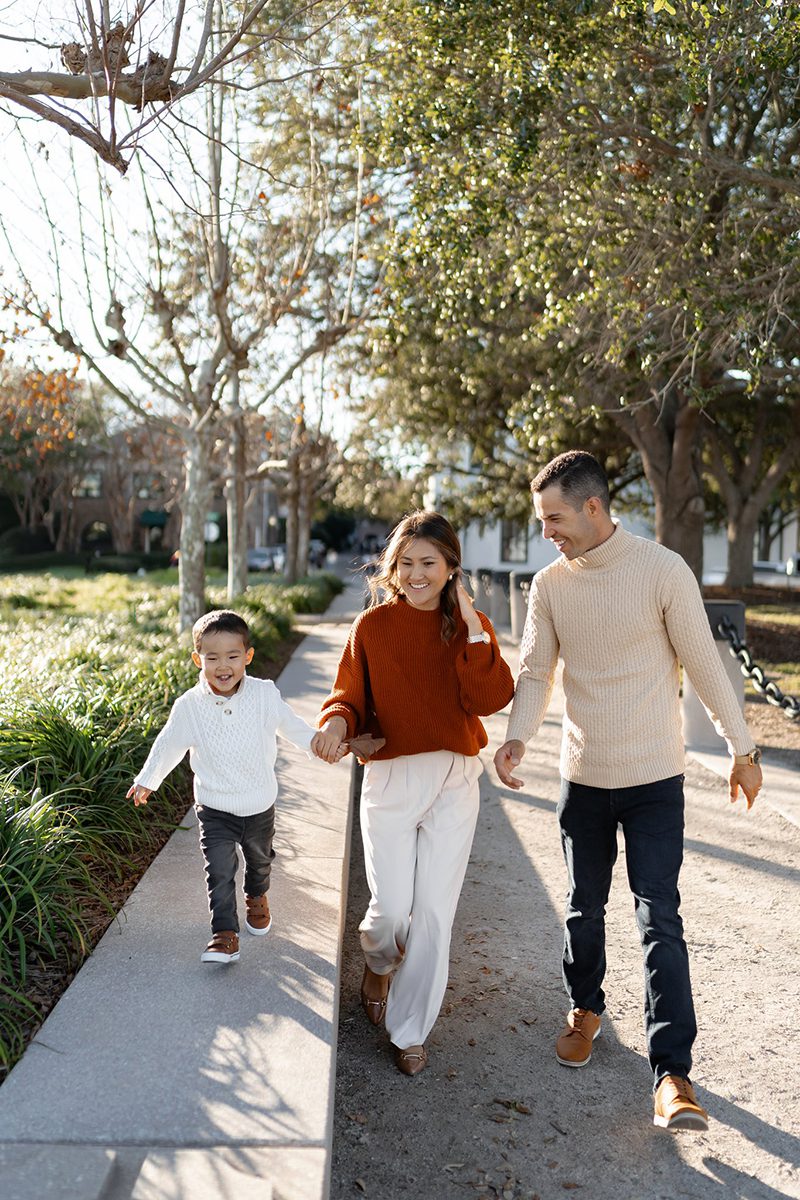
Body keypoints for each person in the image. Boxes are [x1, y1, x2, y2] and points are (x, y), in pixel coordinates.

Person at [493, 451, 762, 1132]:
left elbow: (704, 664)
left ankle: (673, 1074)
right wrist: (518, 737)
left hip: (653, 783)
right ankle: (585, 1008)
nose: (546, 530)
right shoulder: (550, 585)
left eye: (553, 517)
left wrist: (743, 748)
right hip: (582, 779)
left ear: (592, 507)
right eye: (540, 520)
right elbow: (535, 673)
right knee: (584, 907)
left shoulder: (662, 570)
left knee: (658, 917)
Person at [314, 511, 515, 1076]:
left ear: (452, 567)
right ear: (392, 568)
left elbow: (490, 697)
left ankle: (410, 1030)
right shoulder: (372, 628)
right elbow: (346, 696)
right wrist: (336, 727)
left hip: (454, 776)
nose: (416, 574)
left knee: (431, 914)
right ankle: (378, 964)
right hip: (390, 777)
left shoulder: (471, 628)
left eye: (429, 563)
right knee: (390, 913)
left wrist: (474, 630)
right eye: (405, 564)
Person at [126, 609, 346, 964]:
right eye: (212, 657)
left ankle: (257, 896)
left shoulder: (263, 695)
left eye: (232, 656)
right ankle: (224, 934)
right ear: (198, 659)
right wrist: (148, 780)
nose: (222, 666)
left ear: (248, 656)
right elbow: (168, 745)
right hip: (214, 807)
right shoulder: (190, 706)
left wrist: (319, 745)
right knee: (219, 871)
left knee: (259, 861)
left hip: (259, 803)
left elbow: (293, 727)